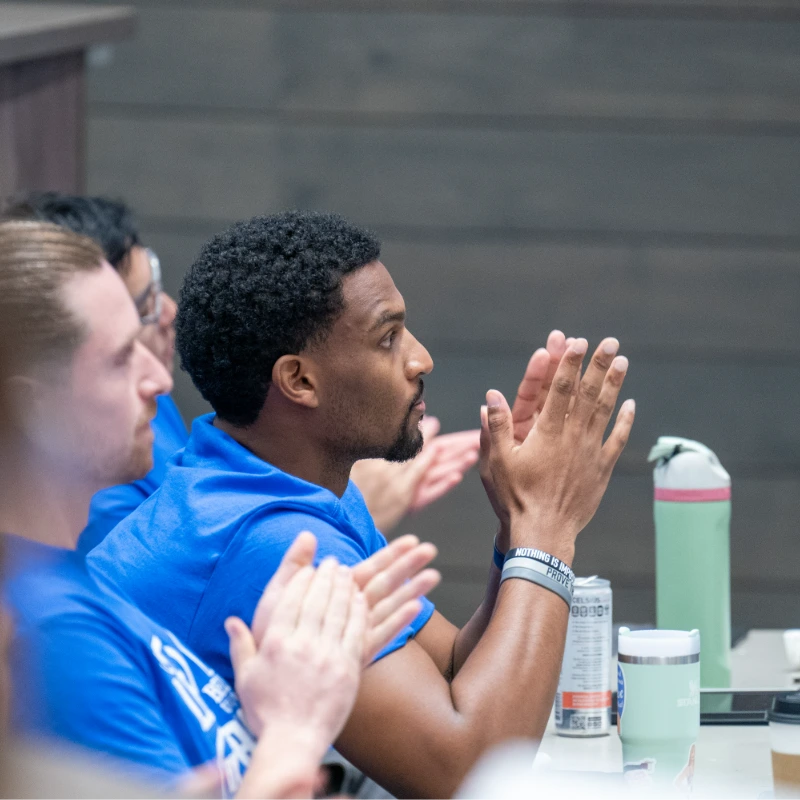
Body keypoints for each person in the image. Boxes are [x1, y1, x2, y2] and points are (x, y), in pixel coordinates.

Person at [88, 210, 635, 799]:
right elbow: (468, 777)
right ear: (299, 381)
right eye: (388, 337)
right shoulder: (270, 542)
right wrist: (546, 529)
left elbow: (449, 669)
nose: (420, 358)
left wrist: (517, 525)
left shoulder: (280, 484)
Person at [0, 220, 440, 797]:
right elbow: (460, 768)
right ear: (35, 408)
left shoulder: (73, 582)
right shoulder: (53, 632)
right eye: (120, 358)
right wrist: (293, 729)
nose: (159, 380)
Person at [3, 193, 480, 548]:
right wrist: (538, 520)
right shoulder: (253, 533)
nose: (167, 311)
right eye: (126, 343)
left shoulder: (158, 411)